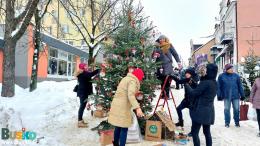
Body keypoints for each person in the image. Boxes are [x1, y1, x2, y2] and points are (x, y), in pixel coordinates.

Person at [108, 68, 145, 146]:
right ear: (138, 77)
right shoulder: (132, 81)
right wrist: (137, 108)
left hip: (116, 105)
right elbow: (130, 95)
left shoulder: (125, 78)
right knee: (124, 128)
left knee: (118, 126)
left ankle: (115, 143)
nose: (141, 80)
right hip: (123, 107)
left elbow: (125, 91)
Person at [185, 63, 218, 146]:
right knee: (207, 132)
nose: (204, 71)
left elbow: (193, 93)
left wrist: (187, 85)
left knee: (195, 132)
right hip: (209, 111)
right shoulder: (214, 82)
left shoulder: (205, 83)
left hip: (200, 111)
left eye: (206, 70)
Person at [74, 63, 100, 128]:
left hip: (82, 92)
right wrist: (99, 69)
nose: (87, 67)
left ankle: (80, 120)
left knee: (82, 106)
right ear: (83, 67)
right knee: (82, 106)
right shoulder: (84, 73)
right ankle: (79, 121)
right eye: (85, 66)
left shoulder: (83, 73)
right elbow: (91, 74)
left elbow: (89, 78)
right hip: (83, 92)